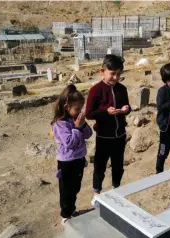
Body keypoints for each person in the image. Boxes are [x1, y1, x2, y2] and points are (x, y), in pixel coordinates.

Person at [85, 54, 131, 208]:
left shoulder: (122, 89)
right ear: (102, 71)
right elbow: (89, 114)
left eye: (119, 74)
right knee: (100, 166)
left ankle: (116, 189)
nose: (116, 77)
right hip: (104, 136)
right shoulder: (96, 90)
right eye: (112, 73)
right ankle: (96, 194)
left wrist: (126, 109)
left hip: (120, 135)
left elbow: (127, 107)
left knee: (118, 164)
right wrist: (106, 111)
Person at [51, 84, 93, 225]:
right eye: (77, 109)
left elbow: (88, 134)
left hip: (78, 160)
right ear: (66, 107)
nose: (79, 112)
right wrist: (76, 128)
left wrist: (81, 125)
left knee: (75, 187)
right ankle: (65, 215)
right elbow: (69, 142)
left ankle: (71, 209)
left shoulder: (76, 120)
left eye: (81, 109)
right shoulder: (60, 123)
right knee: (66, 190)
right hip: (67, 162)